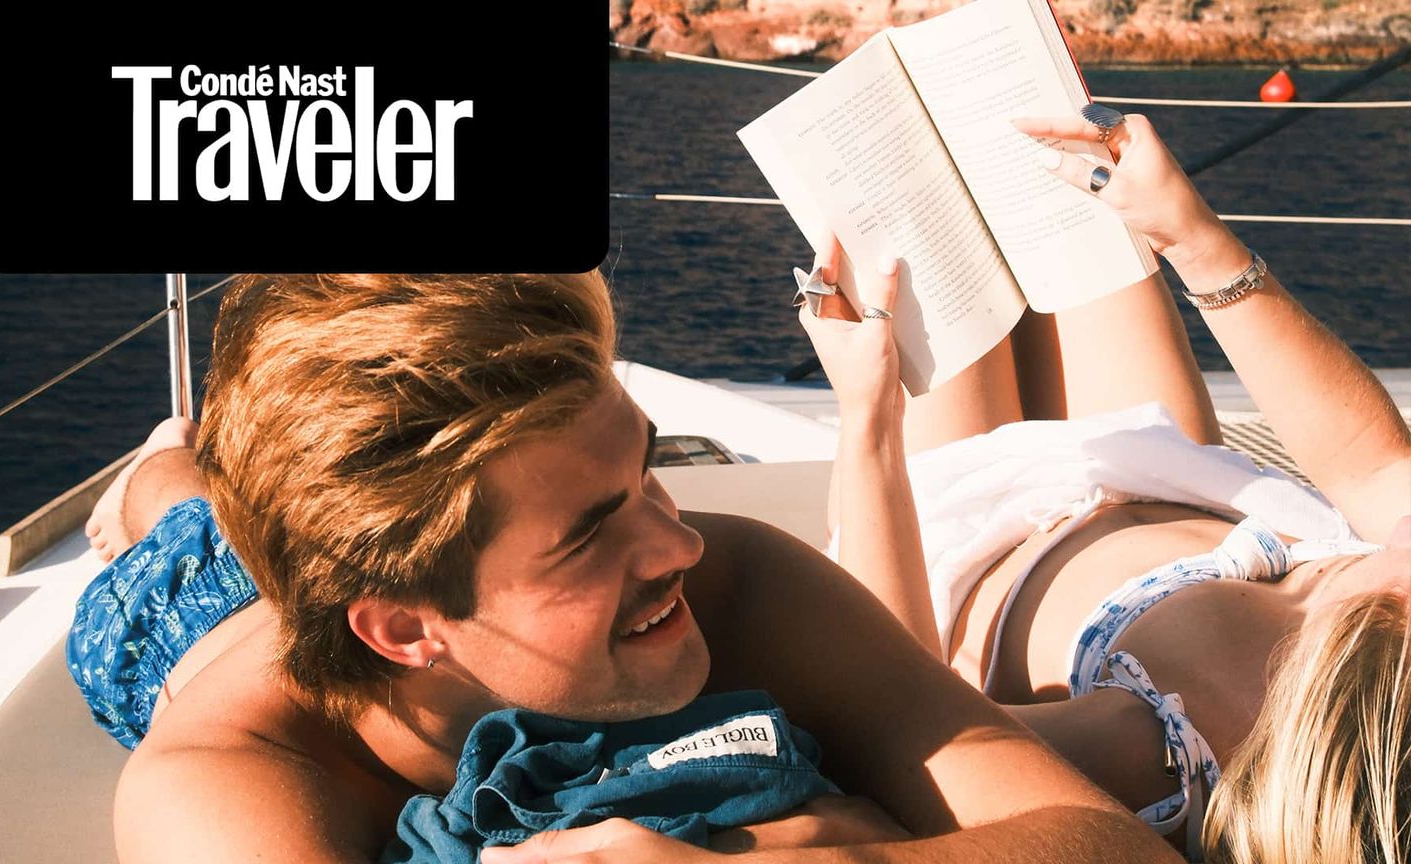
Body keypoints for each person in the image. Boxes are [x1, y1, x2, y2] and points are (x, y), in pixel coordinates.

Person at [69, 271, 1179, 862]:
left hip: (368, 576)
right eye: (589, 534)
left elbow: (1112, 848)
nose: (680, 545)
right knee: (180, 517)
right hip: (189, 629)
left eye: (648, 470)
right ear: (406, 628)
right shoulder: (230, 780)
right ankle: (163, 471)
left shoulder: (740, 583)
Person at [803, 110, 1409, 864]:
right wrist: (1193, 238)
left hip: (961, 530)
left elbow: (904, 730)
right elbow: (1374, 467)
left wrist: (869, 418)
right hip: (1163, 464)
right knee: (1041, 143)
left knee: (886, 168)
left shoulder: (1177, 748)